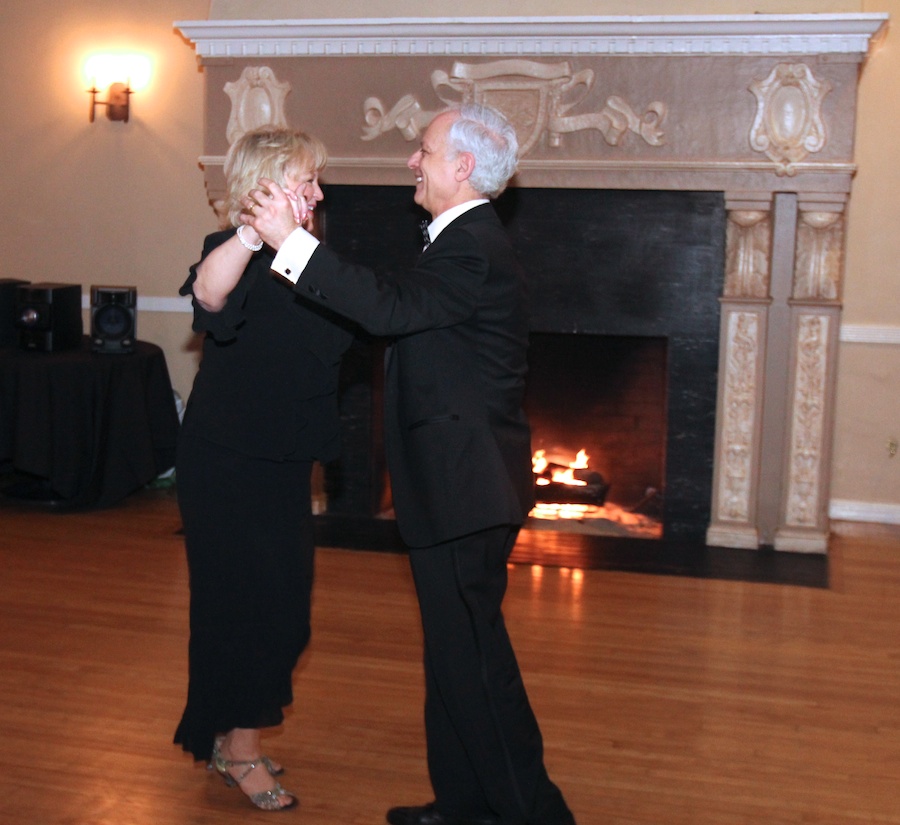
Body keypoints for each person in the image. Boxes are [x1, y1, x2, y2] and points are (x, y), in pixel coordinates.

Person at [243, 104, 576, 825]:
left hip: (467, 485)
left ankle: (535, 815)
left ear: (462, 167)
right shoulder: (462, 241)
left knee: (477, 665)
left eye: (423, 149)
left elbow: (390, 308)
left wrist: (292, 246)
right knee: (454, 658)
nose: (411, 162)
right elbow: (396, 307)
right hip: (459, 482)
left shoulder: (473, 244)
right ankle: (463, 804)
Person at [173, 126, 354, 811]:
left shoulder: (311, 257)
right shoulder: (230, 254)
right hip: (225, 461)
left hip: (282, 461)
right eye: (307, 181)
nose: (320, 192)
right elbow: (209, 296)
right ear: (267, 187)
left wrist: (291, 241)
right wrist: (251, 233)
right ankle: (238, 746)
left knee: (283, 610)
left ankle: (232, 732)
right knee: (240, 608)